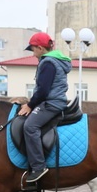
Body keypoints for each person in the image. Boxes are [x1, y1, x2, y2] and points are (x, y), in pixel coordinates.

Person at [18, 32, 72, 184]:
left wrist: (30, 105)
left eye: (33, 49)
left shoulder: (48, 63)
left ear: (40, 48)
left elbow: (43, 90)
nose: (33, 53)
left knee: (30, 126)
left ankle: (38, 166)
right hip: (51, 101)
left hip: (51, 103)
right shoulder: (54, 60)